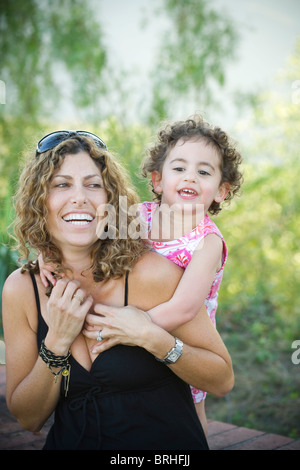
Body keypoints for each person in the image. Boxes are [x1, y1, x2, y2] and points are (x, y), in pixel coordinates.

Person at [2, 131, 234, 450]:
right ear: (38, 200)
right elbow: (28, 420)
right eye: (61, 184)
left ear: (110, 198)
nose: (80, 197)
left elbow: (222, 378)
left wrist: (151, 336)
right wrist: (56, 340)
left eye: (93, 184)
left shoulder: (155, 271)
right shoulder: (21, 289)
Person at [137, 115, 243, 433]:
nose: (190, 178)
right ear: (157, 180)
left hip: (187, 338)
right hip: (140, 324)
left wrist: (129, 329)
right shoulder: (137, 216)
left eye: (204, 171)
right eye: (179, 168)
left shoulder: (207, 242)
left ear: (221, 190)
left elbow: (184, 308)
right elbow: (90, 247)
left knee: (191, 408)